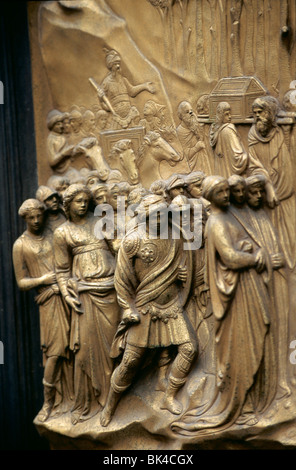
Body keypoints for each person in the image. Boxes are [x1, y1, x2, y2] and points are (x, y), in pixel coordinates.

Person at [172, 175, 277, 436]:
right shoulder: (217, 222)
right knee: (240, 348)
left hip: (246, 290)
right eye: (221, 192)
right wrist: (256, 257)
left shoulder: (231, 216)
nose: (227, 195)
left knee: (254, 343)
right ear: (210, 195)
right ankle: (242, 405)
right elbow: (229, 258)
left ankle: (254, 402)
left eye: (226, 191)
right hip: (235, 296)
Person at [99, 193, 198, 427]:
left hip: (170, 306)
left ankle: (169, 396)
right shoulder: (133, 241)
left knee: (189, 349)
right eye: (154, 215)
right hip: (144, 307)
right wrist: (126, 308)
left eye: (162, 214)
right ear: (144, 216)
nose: (159, 218)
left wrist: (180, 276)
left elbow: (182, 265)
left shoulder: (173, 237)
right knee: (131, 361)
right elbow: (122, 280)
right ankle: (111, 404)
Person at [53, 184, 121, 424]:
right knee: (84, 353)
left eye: (85, 200)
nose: (82, 204)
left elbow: (117, 247)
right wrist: (66, 293)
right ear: (68, 204)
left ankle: (116, 402)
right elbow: (61, 271)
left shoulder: (102, 220)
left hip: (111, 290)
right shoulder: (62, 233)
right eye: (77, 201)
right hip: (85, 296)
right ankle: (88, 403)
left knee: (115, 348)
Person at [13, 199, 70, 422]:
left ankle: (72, 399)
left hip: (67, 293)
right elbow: (21, 282)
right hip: (49, 301)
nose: (36, 221)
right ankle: (49, 403)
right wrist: (44, 279)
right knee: (55, 353)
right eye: (31, 217)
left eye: (39, 216)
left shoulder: (51, 234)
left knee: (76, 348)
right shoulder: (20, 244)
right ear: (25, 219)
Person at [247, 96, 296, 273]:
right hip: (265, 198)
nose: (257, 116)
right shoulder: (253, 135)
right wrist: (267, 185)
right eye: (254, 113)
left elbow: (287, 165)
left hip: (286, 194)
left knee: (290, 238)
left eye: (260, 112)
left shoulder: (281, 134)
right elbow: (254, 166)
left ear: (269, 113)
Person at [98, 49, 155, 129]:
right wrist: (101, 100)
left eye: (118, 64)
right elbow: (104, 103)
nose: (118, 66)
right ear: (110, 66)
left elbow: (132, 91)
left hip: (129, 115)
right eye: (115, 64)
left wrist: (145, 86)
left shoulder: (123, 80)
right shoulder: (106, 82)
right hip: (117, 117)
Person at [209, 102, 248, 178]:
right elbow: (237, 157)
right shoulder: (229, 129)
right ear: (221, 115)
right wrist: (248, 157)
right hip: (231, 175)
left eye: (230, 114)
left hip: (221, 174)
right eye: (226, 114)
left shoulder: (215, 130)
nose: (230, 117)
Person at [176, 101, 211, 176]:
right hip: (192, 169)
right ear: (181, 116)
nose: (191, 113)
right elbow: (184, 156)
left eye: (191, 111)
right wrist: (196, 147)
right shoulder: (180, 131)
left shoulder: (194, 125)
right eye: (187, 112)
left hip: (203, 163)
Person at [46, 109, 75, 175]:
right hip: (60, 173)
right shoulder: (51, 139)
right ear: (52, 126)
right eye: (58, 124)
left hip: (68, 169)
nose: (61, 126)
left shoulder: (62, 137)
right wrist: (64, 153)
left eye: (62, 123)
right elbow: (52, 161)